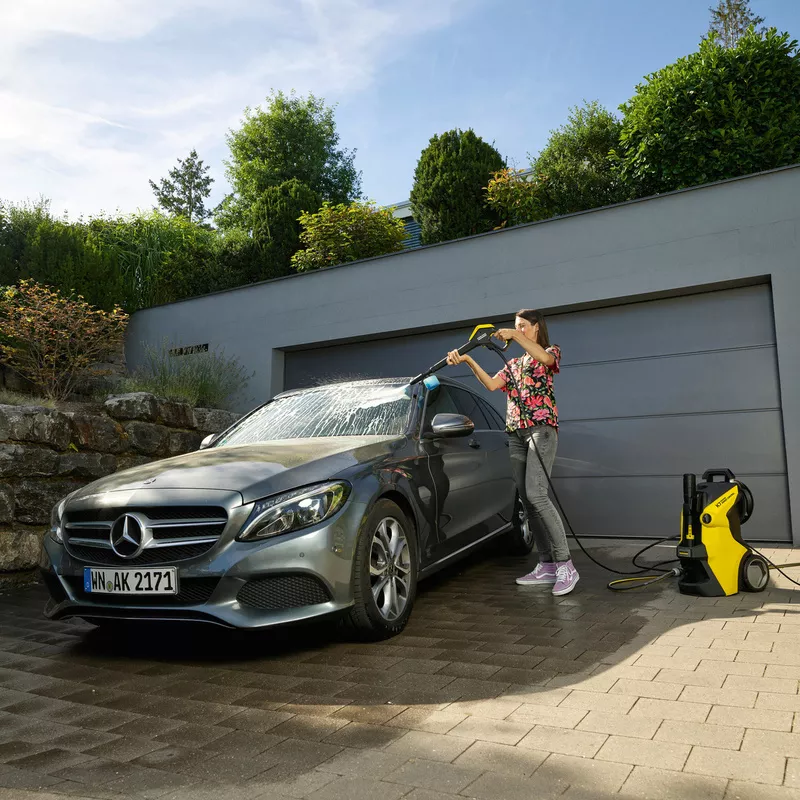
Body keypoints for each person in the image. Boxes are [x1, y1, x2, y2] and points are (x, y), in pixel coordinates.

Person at [445, 309, 579, 596]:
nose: (514, 329)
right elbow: (493, 384)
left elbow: (546, 360)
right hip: (516, 433)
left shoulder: (548, 351)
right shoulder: (514, 364)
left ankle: (566, 564)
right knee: (528, 501)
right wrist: (468, 360)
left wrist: (515, 335)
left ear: (535, 328)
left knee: (537, 494)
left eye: (521, 326)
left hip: (540, 429)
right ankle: (547, 565)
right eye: (515, 326)